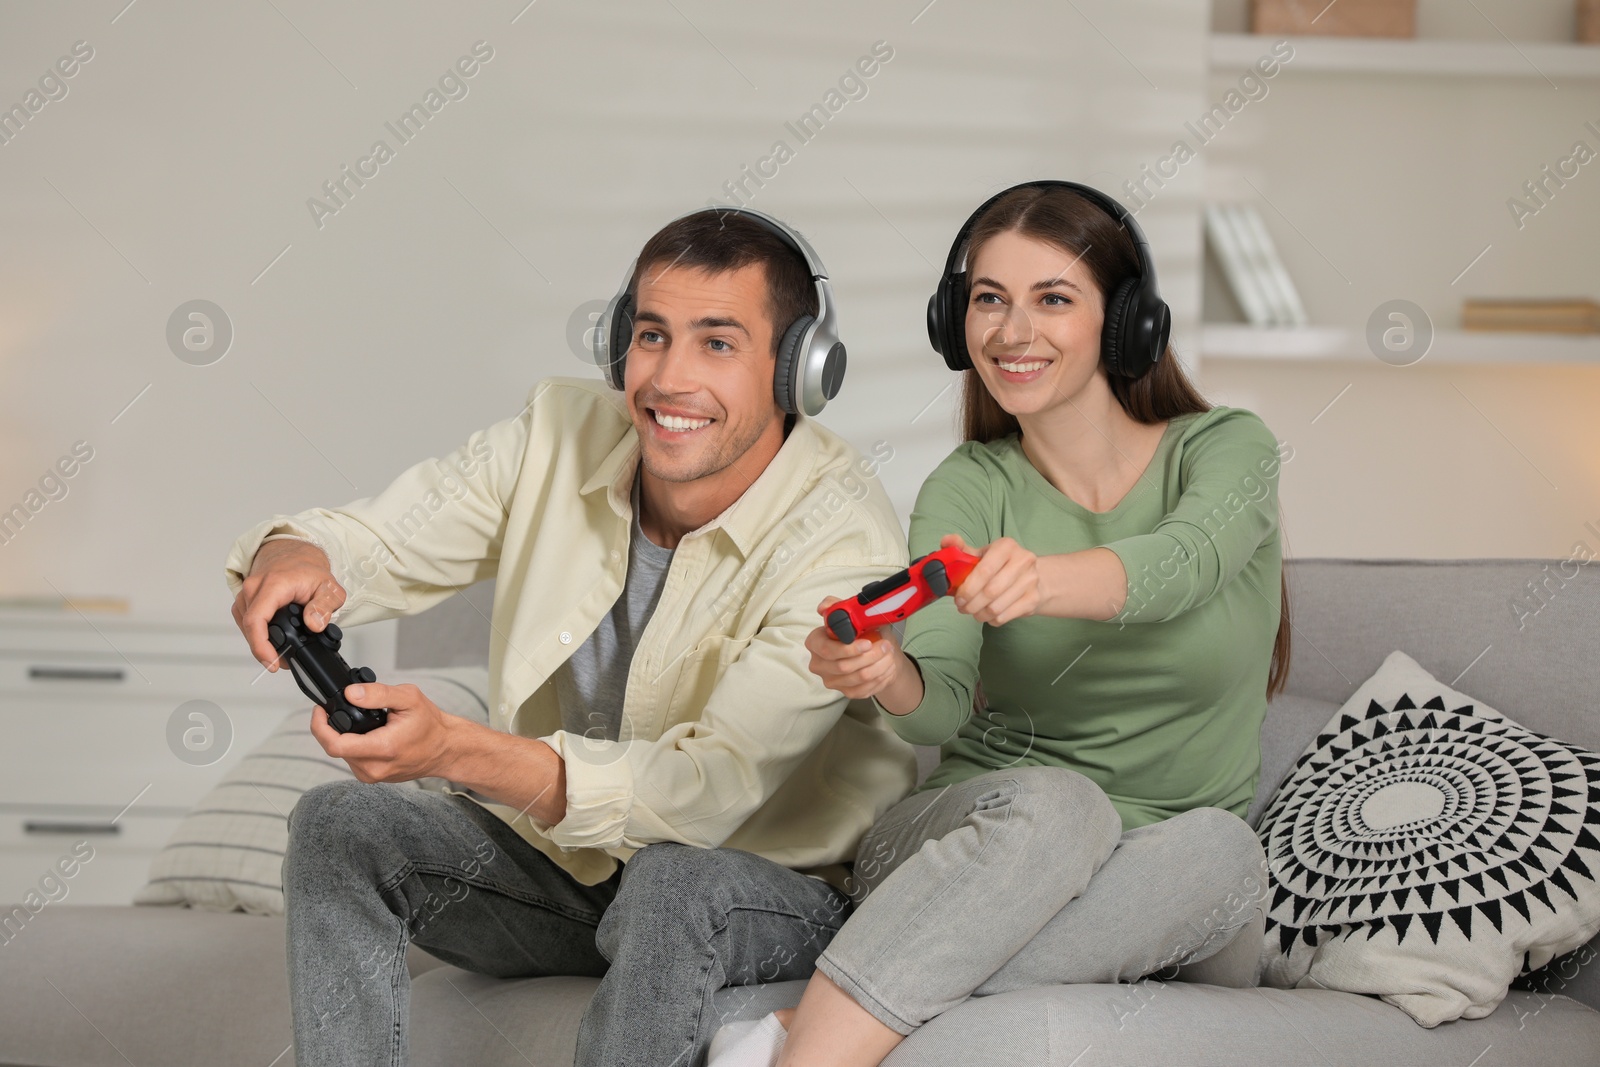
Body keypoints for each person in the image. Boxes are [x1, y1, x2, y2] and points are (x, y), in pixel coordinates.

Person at [224, 207, 918, 1067]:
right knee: (339, 825)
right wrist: (297, 549)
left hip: (761, 890)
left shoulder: (843, 534)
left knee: (672, 876)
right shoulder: (556, 434)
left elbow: (703, 796)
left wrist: (457, 751)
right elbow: (387, 538)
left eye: (718, 343)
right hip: (571, 873)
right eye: (653, 335)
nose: (669, 378)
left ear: (797, 370)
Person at [710, 180, 1291, 1067]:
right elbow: (937, 708)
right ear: (956, 321)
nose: (1013, 333)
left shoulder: (1227, 449)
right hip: (980, 836)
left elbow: (1181, 565)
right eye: (989, 300)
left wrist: (1039, 580)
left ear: (1127, 321)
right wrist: (885, 674)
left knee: (1225, 850)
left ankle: (809, 1028)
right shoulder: (969, 486)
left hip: (1160, 877)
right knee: (1064, 805)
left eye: (1053, 299)